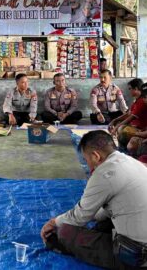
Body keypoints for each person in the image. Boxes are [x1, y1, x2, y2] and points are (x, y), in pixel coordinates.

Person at [41, 130, 147, 269]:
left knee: (64, 232)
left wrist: (53, 222)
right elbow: (105, 211)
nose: (88, 165)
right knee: (101, 222)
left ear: (96, 156)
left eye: (86, 160)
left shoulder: (105, 174)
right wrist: (90, 214)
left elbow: (79, 217)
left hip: (137, 257)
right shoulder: (132, 162)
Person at [108, 79, 147, 148]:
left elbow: (130, 117)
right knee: (120, 125)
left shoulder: (141, 102)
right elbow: (129, 114)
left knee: (123, 130)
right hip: (139, 129)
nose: (129, 91)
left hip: (141, 129)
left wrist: (117, 127)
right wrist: (115, 120)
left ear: (136, 89)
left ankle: (124, 150)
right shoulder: (138, 101)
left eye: (130, 89)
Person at [127, 83, 147, 158]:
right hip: (142, 130)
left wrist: (135, 133)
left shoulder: (141, 102)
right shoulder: (138, 102)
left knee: (132, 143)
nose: (144, 99)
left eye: (145, 97)